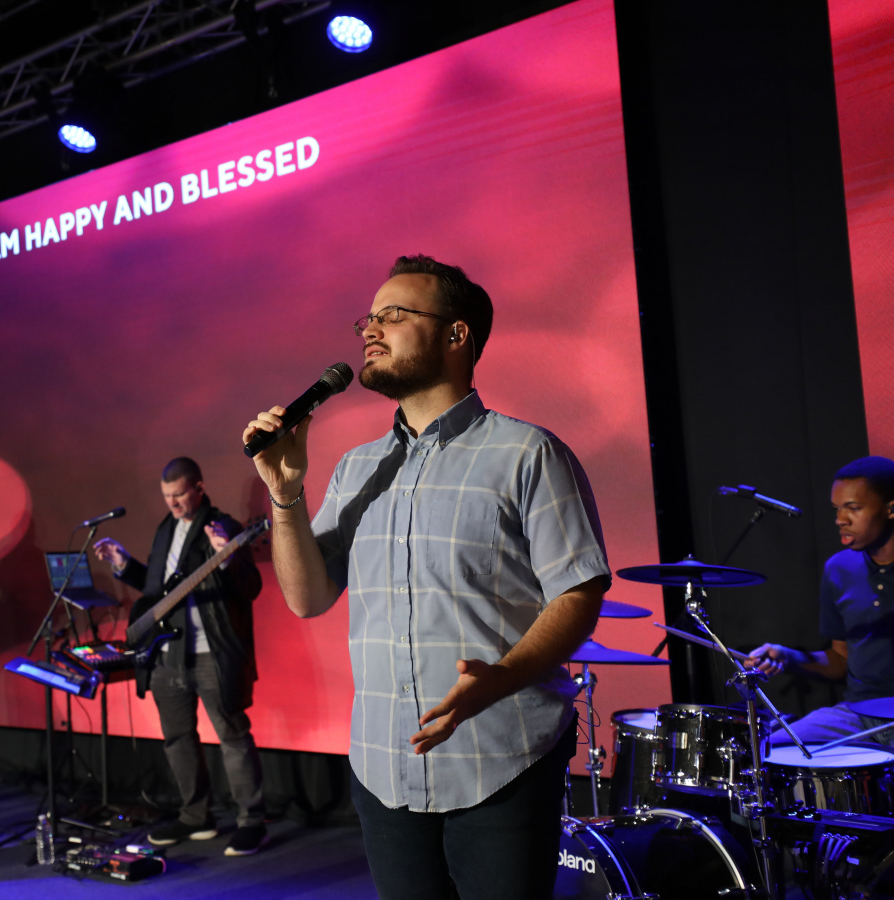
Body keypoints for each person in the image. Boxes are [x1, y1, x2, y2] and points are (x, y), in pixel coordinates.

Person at [243, 255, 610, 899]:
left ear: (455, 334)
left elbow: (578, 592)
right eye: (368, 318)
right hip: (383, 766)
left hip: (502, 758)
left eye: (393, 314)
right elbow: (306, 596)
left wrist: (500, 678)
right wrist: (284, 493)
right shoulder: (357, 468)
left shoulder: (528, 453)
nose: (371, 329)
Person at [92, 457, 268, 856]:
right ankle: (195, 815)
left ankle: (252, 821)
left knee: (233, 737)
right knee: (177, 739)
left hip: (212, 653)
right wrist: (125, 565)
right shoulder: (165, 529)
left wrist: (230, 558)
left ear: (199, 488)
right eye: (166, 496)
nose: (172, 503)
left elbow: (250, 587)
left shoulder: (222, 528)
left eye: (179, 495)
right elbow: (161, 594)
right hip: (168, 654)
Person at [748, 457, 894, 743]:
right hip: (856, 714)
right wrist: (787, 656)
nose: (840, 519)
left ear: (893, 509)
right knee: (769, 752)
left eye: (853, 508)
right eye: (837, 508)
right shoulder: (839, 569)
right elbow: (841, 658)